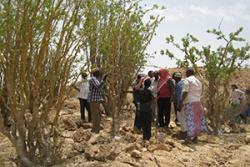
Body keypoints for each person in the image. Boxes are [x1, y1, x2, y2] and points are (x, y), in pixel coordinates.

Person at [180, 68, 207, 143]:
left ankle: (188, 138)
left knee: (190, 120)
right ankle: (195, 138)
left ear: (188, 73)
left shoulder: (187, 80)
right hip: (197, 102)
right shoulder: (198, 81)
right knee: (196, 120)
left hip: (189, 102)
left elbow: (185, 92)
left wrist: (181, 101)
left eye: (186, 73)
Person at [88, 68, 107, 133]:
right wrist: (103, 80)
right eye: (98, 72)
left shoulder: (96, 79)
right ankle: (95, 130)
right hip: (94, 100)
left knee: (98, 115)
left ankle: (96, 129)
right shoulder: (93, 79)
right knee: (96, 115)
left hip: (96, 100)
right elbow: (98, 86)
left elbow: (99, 89)